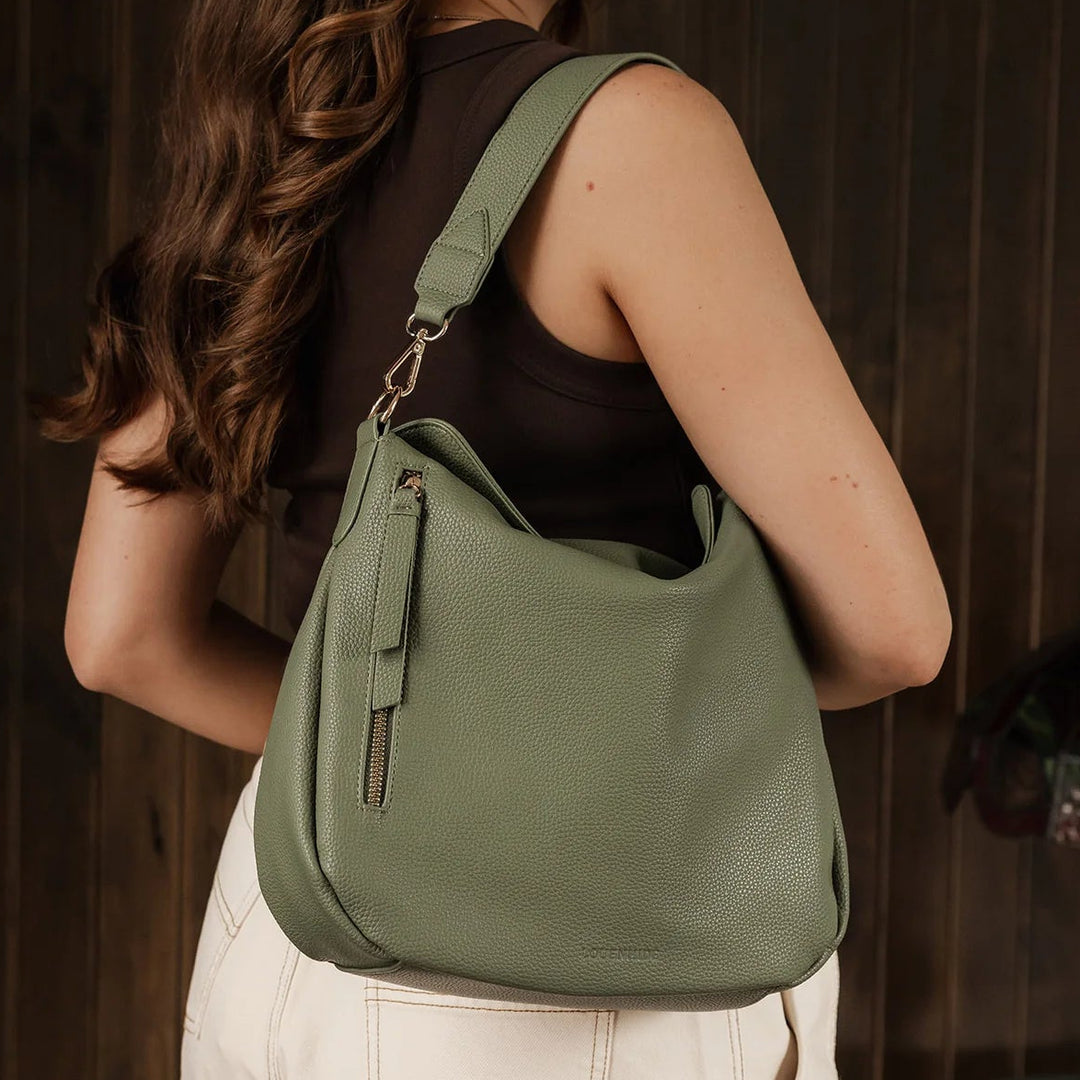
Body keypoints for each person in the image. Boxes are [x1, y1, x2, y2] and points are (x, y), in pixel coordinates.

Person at [39, 0, 952, 1076]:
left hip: (294, 923)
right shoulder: (627, 135)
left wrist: (394, 773)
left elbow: (122, 636)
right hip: (589, 967)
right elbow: (895, 632)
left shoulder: (254, 150)